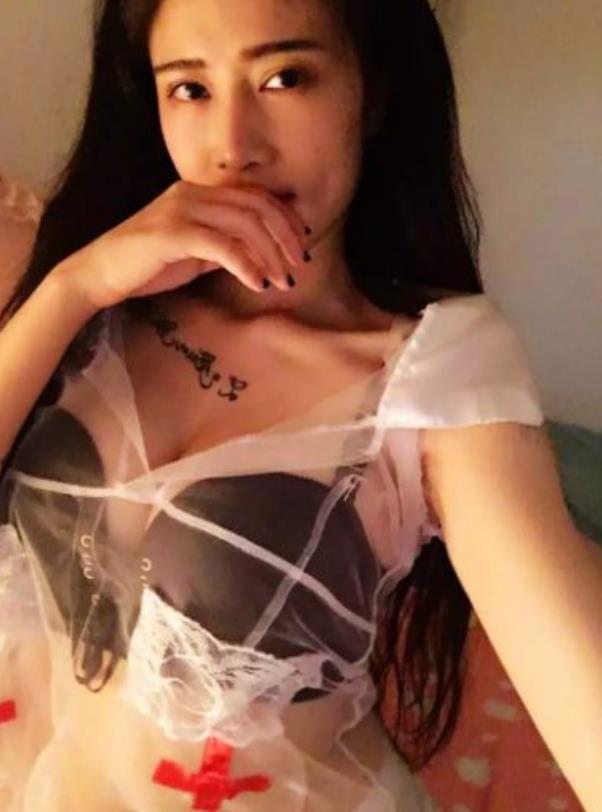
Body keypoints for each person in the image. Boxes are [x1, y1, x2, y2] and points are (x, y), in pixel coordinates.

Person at [0, 0, 600, 810]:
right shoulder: (82, 295)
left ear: (373, 93)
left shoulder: (433, 375)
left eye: (285, 77)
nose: (234, 147)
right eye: (190, 88)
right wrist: (75, 286)